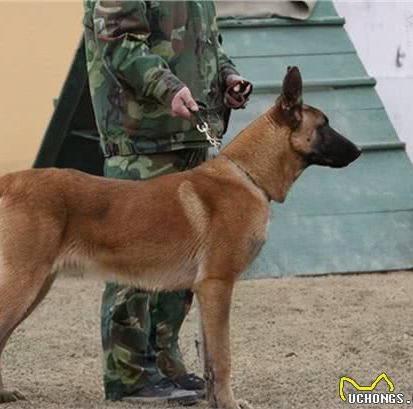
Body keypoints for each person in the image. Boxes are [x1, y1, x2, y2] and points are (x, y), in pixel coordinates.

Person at [82, 0, 252, 404]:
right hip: (141, 137)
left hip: (190, 131)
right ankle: (128, 376)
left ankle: (165, 362)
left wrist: (227, 77)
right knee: (132, 260)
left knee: (183, 262)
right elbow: (119, 44)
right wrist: (169, 87)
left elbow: (207, 45)